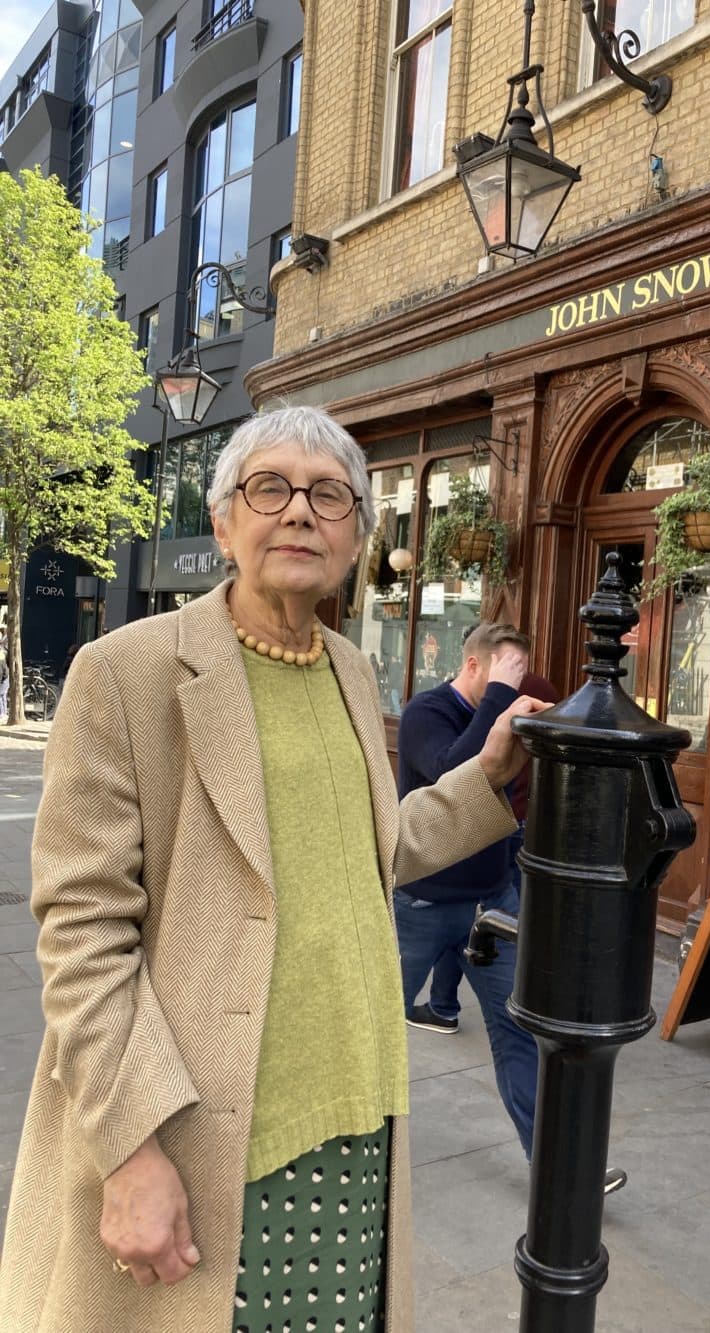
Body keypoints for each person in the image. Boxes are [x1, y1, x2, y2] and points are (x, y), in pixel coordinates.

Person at [0, 407, 547, 1333]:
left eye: (330, 494)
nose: (300, 511)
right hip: (202, 1130)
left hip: (357, 1113)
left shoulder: (349, 668)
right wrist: (129, 1146)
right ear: (223, 524)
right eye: (270, 487)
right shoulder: (126, 672)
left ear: (358, 538)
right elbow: (82, 933)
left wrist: (486, 775)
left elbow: (366, 852)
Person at [395, 624, 538, 1157]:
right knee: (376, 1026)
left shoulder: (503, 712)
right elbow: (453, 775)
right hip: (421, 901)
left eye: (520, 672)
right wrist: (500, 701)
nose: (516, 682)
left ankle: (556, 1167)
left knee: (520, 1030)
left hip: (490, 902)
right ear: (474, 665)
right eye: (507, 671)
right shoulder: (424, 713)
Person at [419, 667, 560, 1035]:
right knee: (510, 919)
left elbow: (452, 767)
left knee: (471, 915)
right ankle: (522, 997)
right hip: (522, 821)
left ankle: (444, 1005)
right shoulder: (540, 690)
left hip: (493, 819)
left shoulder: (491, 698)